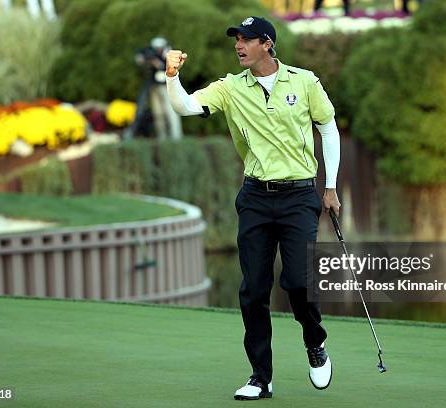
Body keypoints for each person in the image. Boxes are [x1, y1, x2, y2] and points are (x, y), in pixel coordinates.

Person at [165, 16, 341, 400]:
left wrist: (329, 187)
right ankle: (261, 377)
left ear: (267, 44)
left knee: (297, 280)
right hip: (256, 198)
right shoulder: (229, 88)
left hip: (298, 196)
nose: (238, 46)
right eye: (236, 40)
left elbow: (328, 128)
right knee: (253, 291)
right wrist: (172, 76)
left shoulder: (304, 81)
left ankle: (315, 340)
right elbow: (184, 107)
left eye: (246, 40)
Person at [126, 37, 182, 140]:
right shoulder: (152, 54)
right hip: (154, 86)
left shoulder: (169, 55)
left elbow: (165, 68)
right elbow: (141, 55)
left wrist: (157, 63)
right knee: (158, 113)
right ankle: (162, 137)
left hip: (166, 87)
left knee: (171, 111)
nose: (158, 50)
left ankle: (176, 137)